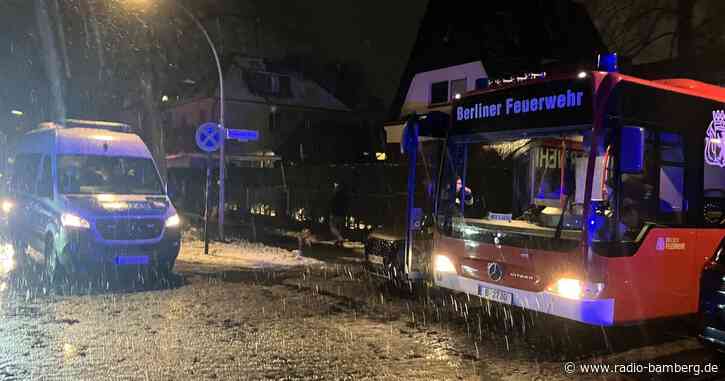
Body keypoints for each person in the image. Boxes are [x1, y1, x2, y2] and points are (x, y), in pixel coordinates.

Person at [329, 182, 349, 247]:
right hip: (342, 214)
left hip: (335, 214)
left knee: (333, 227)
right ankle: (339, 241)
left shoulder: (335, 195)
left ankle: (340, 238)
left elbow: (332, 205)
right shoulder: (344, 195)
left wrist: (331, 213)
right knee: (339, 228)